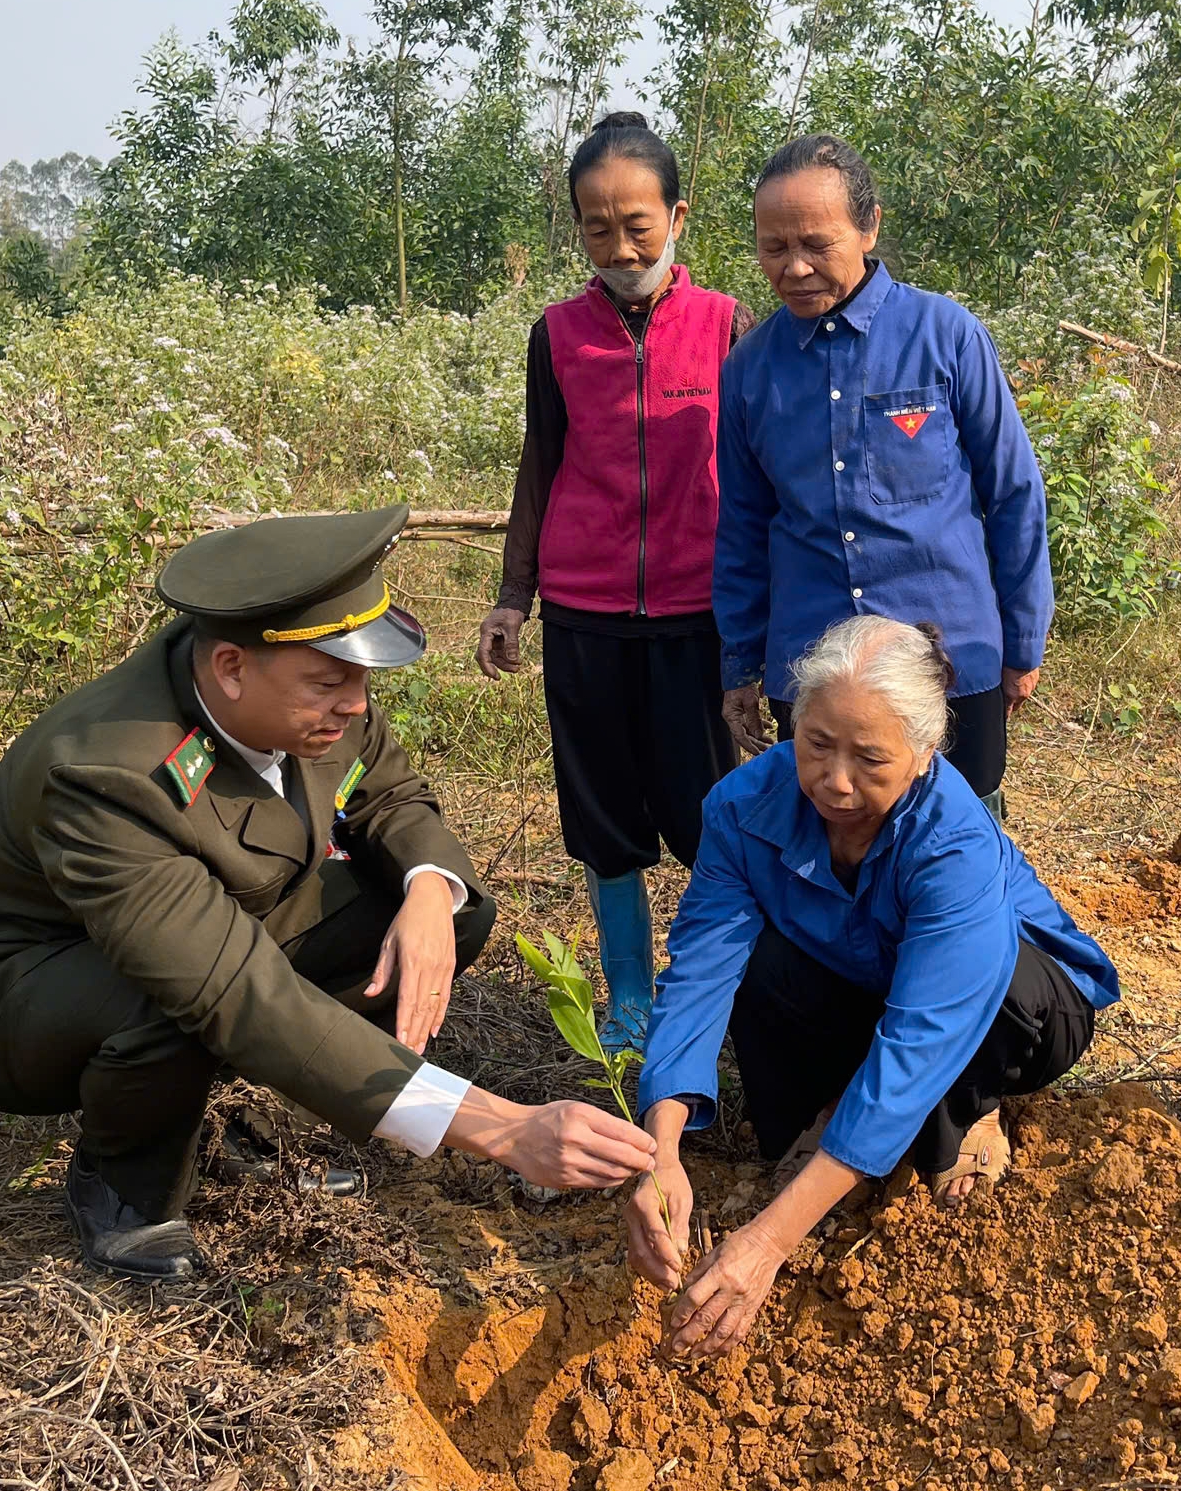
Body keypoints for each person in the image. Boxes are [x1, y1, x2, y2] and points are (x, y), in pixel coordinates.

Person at [0, 507, 656, 1281]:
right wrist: (500, 1126)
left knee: (450, 910)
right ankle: (124, 1191)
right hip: (8, 998)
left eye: (360, 678)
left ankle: (196, 1118)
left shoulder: (302, 685)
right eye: (331, 682)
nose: (355, 703)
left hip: (184, 931)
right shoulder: (108, 774)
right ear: (230, 667)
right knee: (171, 1006)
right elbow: (228, 988)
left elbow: (388, 794)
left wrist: (427, 893)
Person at [623, 616, 1120, 1359]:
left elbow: (924, 1036)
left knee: (1001, 989)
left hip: (1016, 1013)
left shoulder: (952, 837)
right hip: (870, 983)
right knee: (758, 954)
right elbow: (700, 971)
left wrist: (767, 1240)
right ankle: (833, 1118)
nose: (836, 779)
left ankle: (973, 1107)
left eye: (870, 757)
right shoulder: (740, 806)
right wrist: (657, 1147)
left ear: (923, 754)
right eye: (816, 743)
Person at [477, 112, 754, 1056]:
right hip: (588, 617)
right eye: (597, 227)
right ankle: (629, 1001)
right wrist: (515, 594)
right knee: (603, 822)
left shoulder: (727, 325)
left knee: (714, 814)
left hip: (699, 615)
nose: (620, 244)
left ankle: (715, 990)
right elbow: (540, 462)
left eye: (637, 221)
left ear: (678, 215)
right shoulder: (555, 334)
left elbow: (759, 472)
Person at [714, 134, 1054, 823]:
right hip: (813, 666)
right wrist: (740, 664)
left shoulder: (946, 335)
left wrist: (1022, 642)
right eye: (773, 248)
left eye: (816, 243)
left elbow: (1012, 491)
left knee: (959, 843)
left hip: (949, 659)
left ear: (868, 227)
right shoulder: (750, 370)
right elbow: (743, 529)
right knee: (836, 843)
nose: (795, 267)